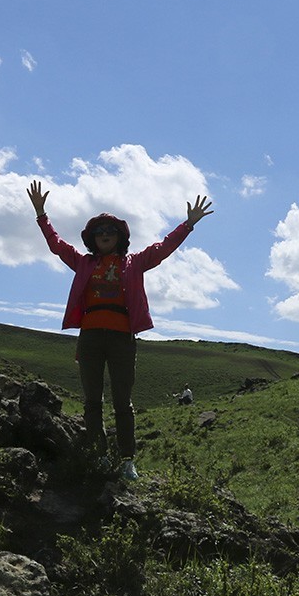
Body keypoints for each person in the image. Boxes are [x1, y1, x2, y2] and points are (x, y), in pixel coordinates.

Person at [27, 180, 213, 481]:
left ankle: (127, 460)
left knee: (123, 402)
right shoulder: (84, 263)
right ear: (91, 238)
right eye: (99, 232)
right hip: (90, 336)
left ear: (119, 237)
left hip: (122, 338)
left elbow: (162, 248)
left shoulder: (134, 263)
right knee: (92, 401)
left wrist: (188, 225)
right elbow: (57, 246)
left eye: (110, 231)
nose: (104, 235)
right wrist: (41, 215)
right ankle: (99, 457)